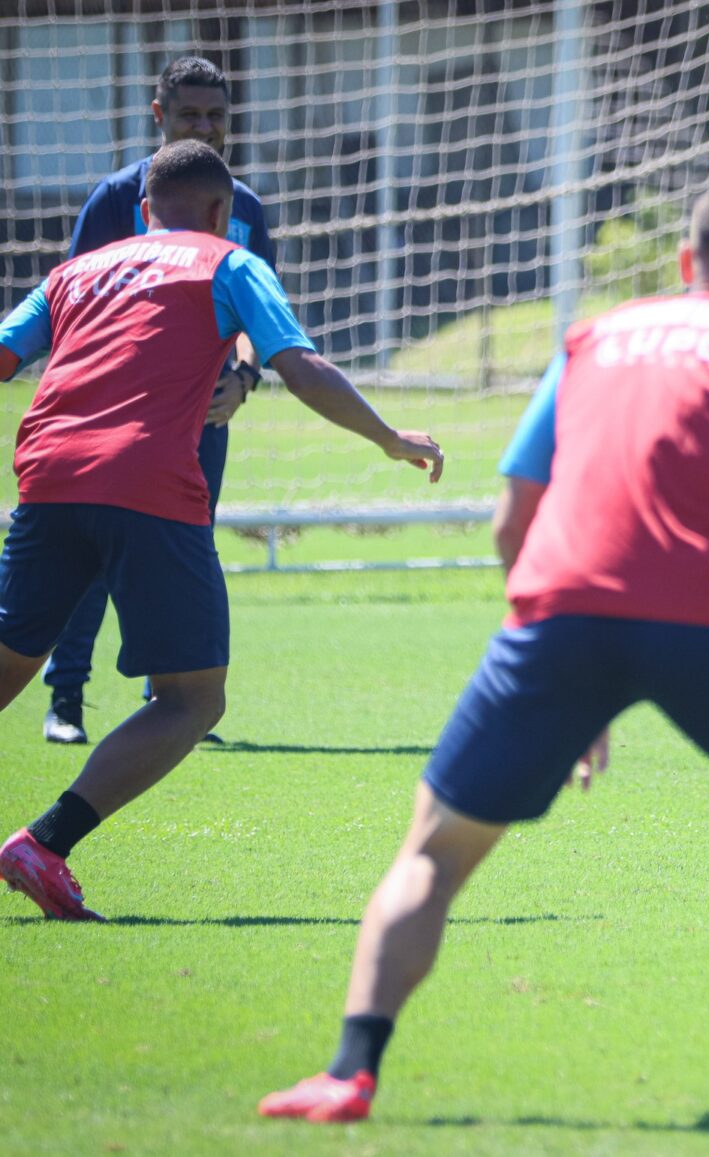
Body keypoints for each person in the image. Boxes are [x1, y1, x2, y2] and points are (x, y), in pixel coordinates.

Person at [257, 177, 709, 1124]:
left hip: (559, 611)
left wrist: (566, 681)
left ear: (688, 262)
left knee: (434, 851)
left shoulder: (594, 336)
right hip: (706, 614)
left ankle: (348, 1071)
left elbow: (512, 516)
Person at [0, 140, 444, 921]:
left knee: (6, 669)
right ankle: (45, 841)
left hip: (47, 480)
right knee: (192, 700)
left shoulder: (74, 272)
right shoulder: (229, 261)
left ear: (142, 213)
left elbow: (5, 353)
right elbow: (299, 366)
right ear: (222, 213)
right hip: (147, 486)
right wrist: (389, 438)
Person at [41, 55, 276, 747]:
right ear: (158, 117)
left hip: (201, 421)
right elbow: (71, 309)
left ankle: (172, 700)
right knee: (89, 559)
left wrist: (244, 379)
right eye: (188, 115)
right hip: (113, 422)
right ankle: (66, 697)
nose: (203, 126)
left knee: (186, 552)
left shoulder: (247, 208)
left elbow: (257, 317)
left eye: (215, 116)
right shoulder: (117, 200)